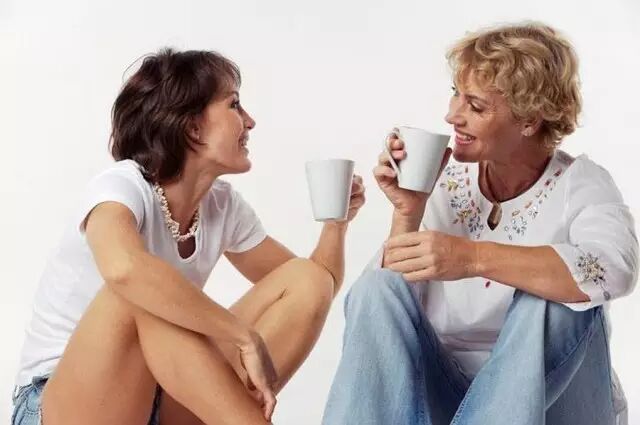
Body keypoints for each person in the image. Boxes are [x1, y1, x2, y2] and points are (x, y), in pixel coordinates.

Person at [11, 48, 365, 425]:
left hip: (163, 394)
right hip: (66, 401)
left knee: (305, 279)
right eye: (234, 105)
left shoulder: (222, 206)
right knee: (136, 293)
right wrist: (241, 336)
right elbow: (123, 269)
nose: (250, 121)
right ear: (192, 127)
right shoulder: (121, 186)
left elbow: (314, 288)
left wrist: (337, 223)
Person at [323, 22, 637, 425]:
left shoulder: (582, 183)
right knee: (376, 287)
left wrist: (472, 257)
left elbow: (614, 270)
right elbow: (381, 318)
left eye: (475, 106)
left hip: (554, 404)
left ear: (530, 119)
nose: (451, 115)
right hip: (449, 396)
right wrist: (407, 213)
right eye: (456, 93)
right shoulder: (446, 181)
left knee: (554, 299)